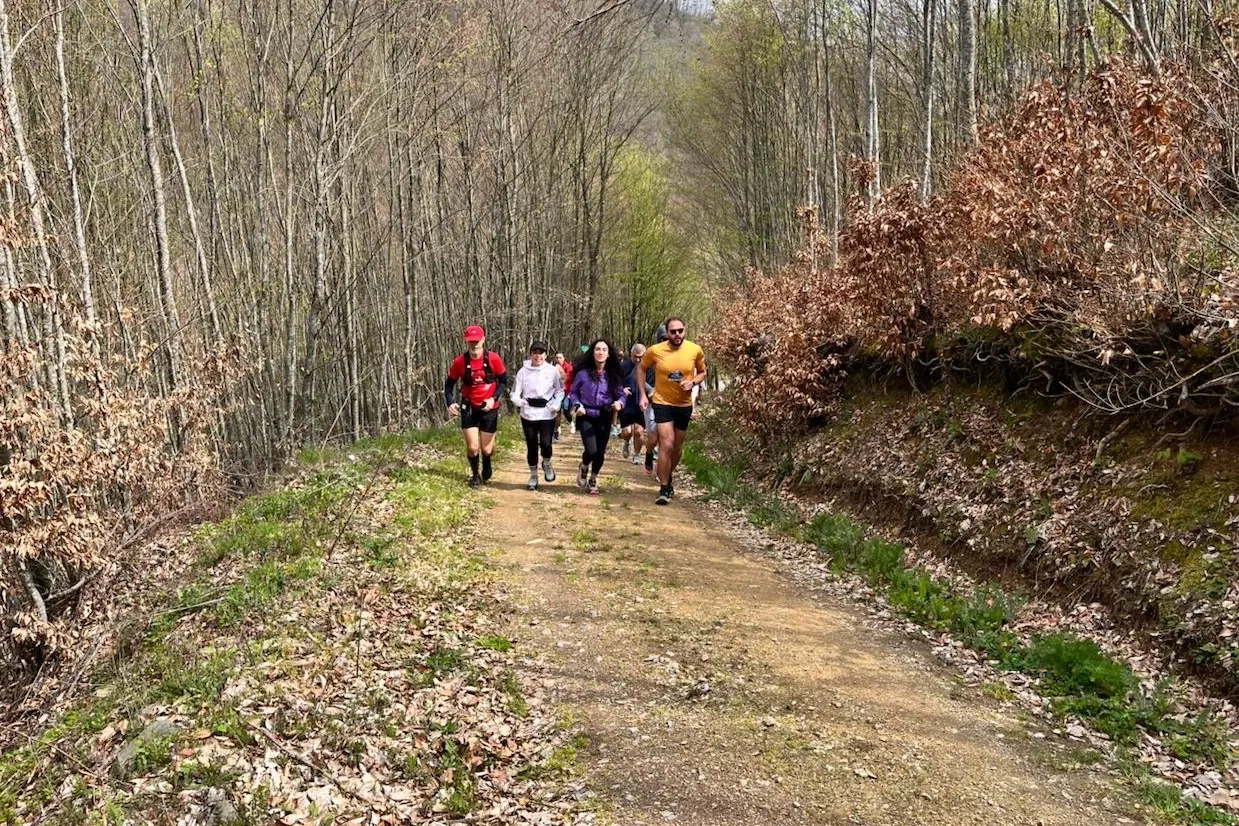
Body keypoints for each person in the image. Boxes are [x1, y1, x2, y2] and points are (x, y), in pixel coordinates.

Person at [638, 317, 707, 505]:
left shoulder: (695, 350)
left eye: (680, 331)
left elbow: (702, 372)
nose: (677, 334)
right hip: (662, 402)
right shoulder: (655, 350)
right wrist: (643, 394)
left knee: (676, 448)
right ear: (667, 333)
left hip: (683, 404)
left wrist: (693, 382)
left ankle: (668, 474)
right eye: (673, 331)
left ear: (685, 331)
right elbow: (641, 369)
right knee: (666, 444)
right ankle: (663, 488)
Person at [444, 325, 507, 488]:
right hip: (469, 406)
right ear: (466, 342)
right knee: (472, 448)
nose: (474, 344)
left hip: (489, 407)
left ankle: (487, 462)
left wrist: (493, 398)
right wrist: (450, 403)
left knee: (487, 450)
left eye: (477, 341)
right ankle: (475, 475)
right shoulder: (459, 362)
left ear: (483, 340)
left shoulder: (493, 359)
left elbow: (503, 381)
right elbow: (449, 386)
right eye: (471, 341)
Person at [568, 339, 626, 495]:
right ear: (593, 353)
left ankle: (593, 478)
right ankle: (584, 466)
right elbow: (573, 393)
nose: (600, 352)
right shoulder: (583, 374)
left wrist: (620, 403)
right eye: (597, 349)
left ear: (609, 354)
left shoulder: (613, 375)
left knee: (600, 452)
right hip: (586, 414)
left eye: (604, 350)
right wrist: (577, 405)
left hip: (605, 415)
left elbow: (621, 395)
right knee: (591, 450)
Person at [510, 340, 564, 490]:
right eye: (535, 352)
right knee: (531, 445)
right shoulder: (523, 371)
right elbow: (515, 391)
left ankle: (546, 463)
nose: (538, 356)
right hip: (528, 413)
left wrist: (556, 404)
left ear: (546, 355)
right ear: (530, 354)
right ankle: (533, 475)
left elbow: (560, 390)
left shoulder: (552, 371)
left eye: (541, 353)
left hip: (547, 412)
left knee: (546, 443)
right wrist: (518, 401)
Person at [618, 343, 646, 460]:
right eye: (635, 356)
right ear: (631, 354)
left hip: (642, 405)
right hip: (627, 404)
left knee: (639, 432)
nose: (638, 359)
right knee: (627, 432)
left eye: (641, 357)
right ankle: (626, 442)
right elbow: (614, 383)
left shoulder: (649, 368)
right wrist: (621, 390)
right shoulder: (623, 367)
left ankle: (637, 454)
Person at [553, 352, 574, 441]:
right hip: (556, 392)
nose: (558, 359)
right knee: (557, 410)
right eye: (557, 358)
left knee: (566, 409)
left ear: (564, 358)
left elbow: (568, 379)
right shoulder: (553, 367)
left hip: (567, 392)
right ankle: (557, 429)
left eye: (560, 357)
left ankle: (571, 422)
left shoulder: (569, 367)